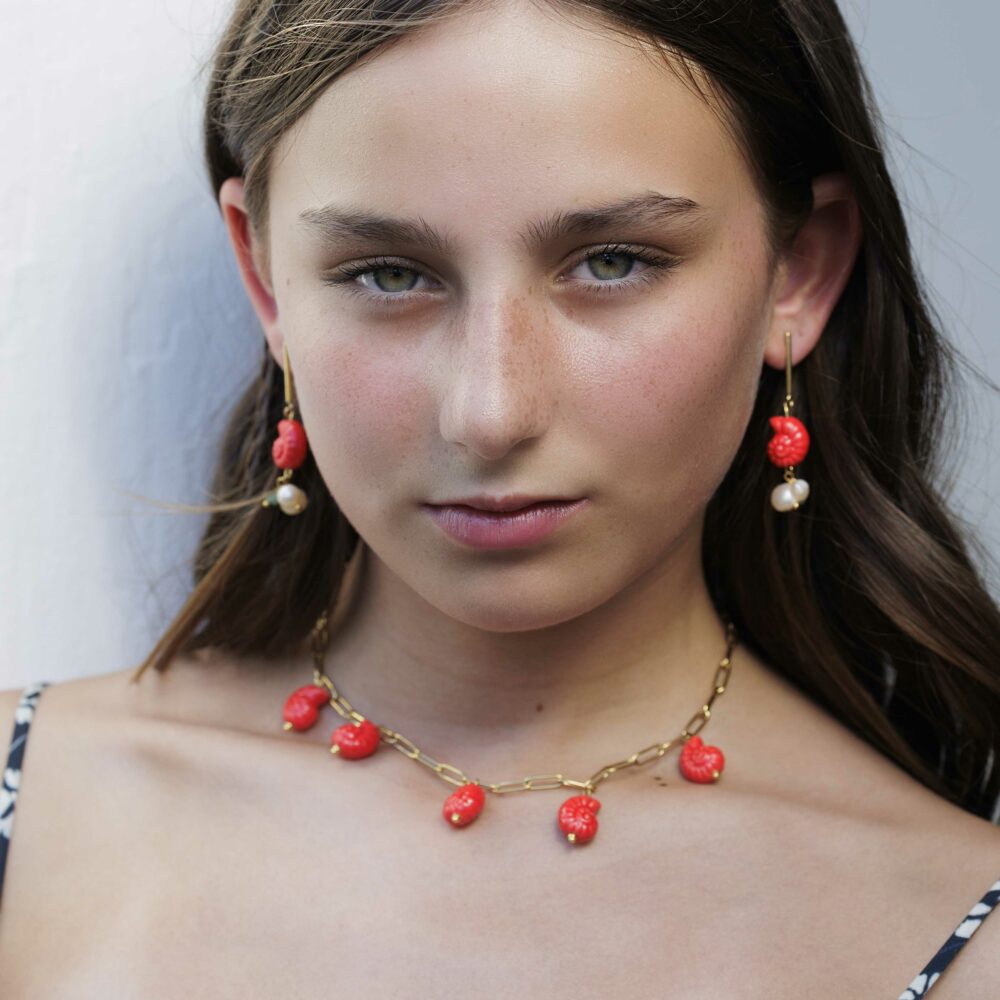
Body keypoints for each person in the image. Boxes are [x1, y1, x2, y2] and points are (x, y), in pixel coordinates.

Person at [1, 0, 998, 995]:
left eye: (612, 262)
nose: (489, 413)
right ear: (266, 280)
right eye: (388, 274)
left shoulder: (959, 931)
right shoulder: (31, 810)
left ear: (798, 272)